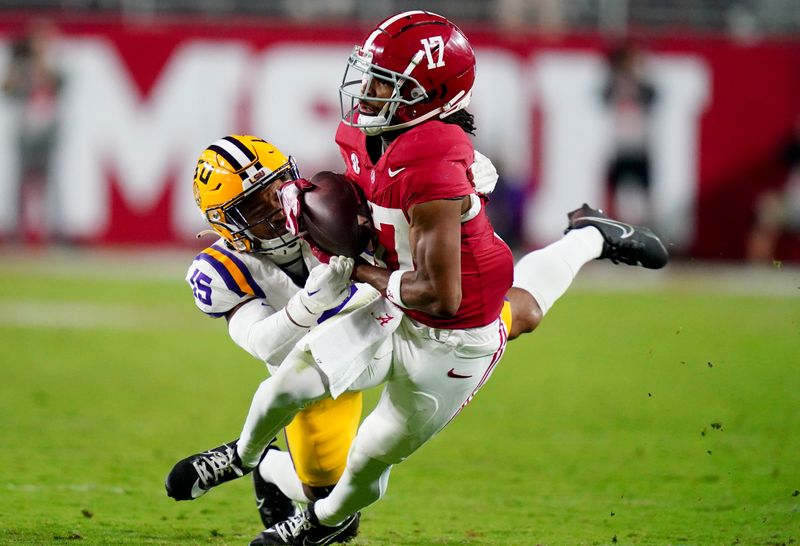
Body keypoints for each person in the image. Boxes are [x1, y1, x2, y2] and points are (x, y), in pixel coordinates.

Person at [166, 11, 668, 546]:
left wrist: (360, 264)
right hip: (382, 301)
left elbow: (442, 295)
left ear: (431, 97)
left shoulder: (431, 163)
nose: (369, 90)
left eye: (388, 82)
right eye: (372, 74)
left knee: (375, 456)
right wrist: (339, 260)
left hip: (440, 316)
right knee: (293, 388)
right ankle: (249, 460)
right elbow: (273, 331)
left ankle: (320, 523)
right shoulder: (354, 141)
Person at [1, 18, 64, 245]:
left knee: (52, 185)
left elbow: (61, 84)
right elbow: (7, 89)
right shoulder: (21, 66)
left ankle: (56, 234)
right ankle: (15, 234)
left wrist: (42, 64)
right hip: (25, 132)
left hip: (47, 134)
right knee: (19, 185)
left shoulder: (53, 64)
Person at [601, 40, 658, 227]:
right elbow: (604, 96)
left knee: (645, 190)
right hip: (619, 147)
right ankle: (612, 226)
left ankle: (649, 227)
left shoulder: (642, 84)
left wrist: (638, 76)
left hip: (639, 145)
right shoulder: (615, 83)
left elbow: (652, 97)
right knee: (615, 189)